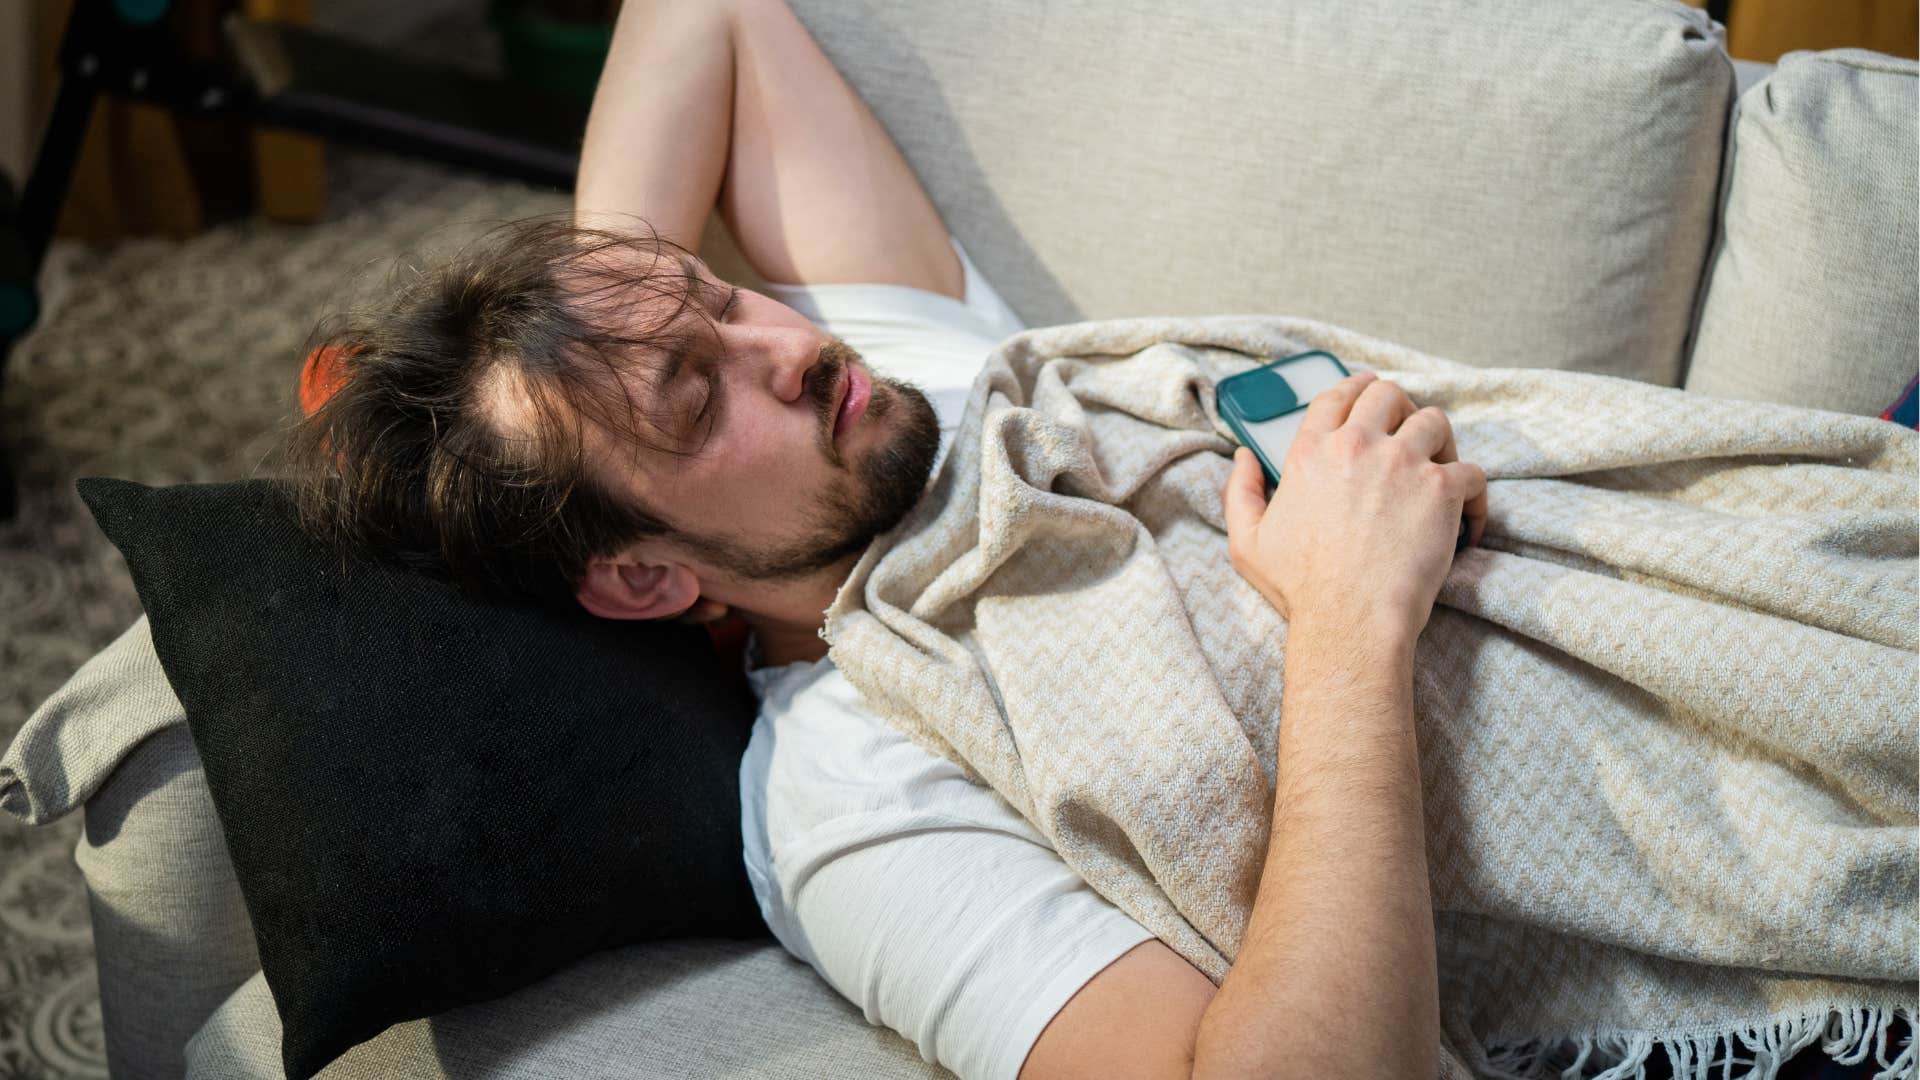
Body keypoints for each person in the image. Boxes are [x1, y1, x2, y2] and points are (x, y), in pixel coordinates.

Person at [283, 1, 1487, 1077]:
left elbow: (701, 17)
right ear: (645, 575)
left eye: (719, 295)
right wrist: (1348, 619)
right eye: (698, 401)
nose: (792, 345)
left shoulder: (893, 384)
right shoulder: (850, 807)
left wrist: (604, 327)